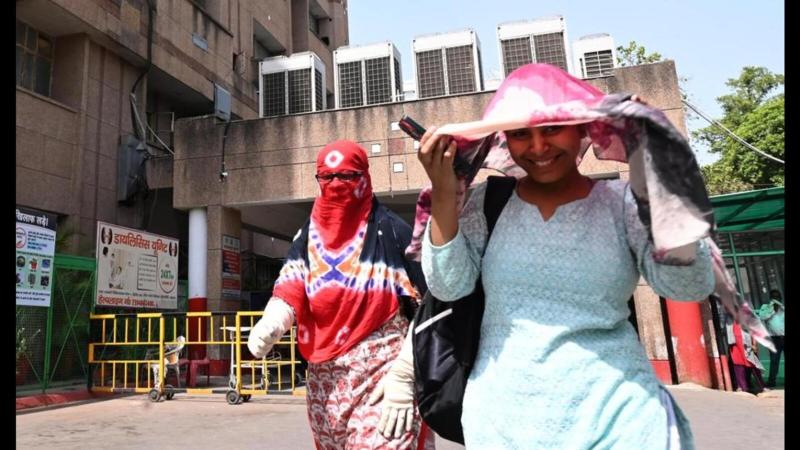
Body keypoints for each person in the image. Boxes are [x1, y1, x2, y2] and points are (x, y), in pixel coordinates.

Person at [417, 63, 715, 449]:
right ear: (505, 139)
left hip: (622, 421)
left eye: (553, 128)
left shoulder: (623, 203)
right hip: (502, 424)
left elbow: (688, 285)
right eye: (521, 134)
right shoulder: (486, 204)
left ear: (582, 127)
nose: (538, 147)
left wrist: (659, 178)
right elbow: (449, 286)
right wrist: (444, 193)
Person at [246, 140, 435, 450]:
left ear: (364, 176)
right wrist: (274, 319)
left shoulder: (392, 231)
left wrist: (406, 371)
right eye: (327, 177)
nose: (336, 184)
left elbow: (432, 302)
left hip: (383, 375)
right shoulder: (308, 234)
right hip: (325, 380)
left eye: (347, 176)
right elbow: (293, 280)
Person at [728, 320, 766, 393]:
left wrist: (754, 343)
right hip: (734, 342)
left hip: (747, 342)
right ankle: (742, 387)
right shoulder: (730, 318)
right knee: (738, 364)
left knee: (753, 364)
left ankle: (761, 386)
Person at [757, 289, 785, 387]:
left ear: (780, 298)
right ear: (770, 298)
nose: (775, 299)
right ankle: (772, 381)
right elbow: (762, 317)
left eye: (777, 297)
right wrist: (772, 309)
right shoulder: (765, 307)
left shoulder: (783, 308)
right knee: (774, 361)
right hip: (774, 339)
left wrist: (780, 307)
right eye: (773, 297)